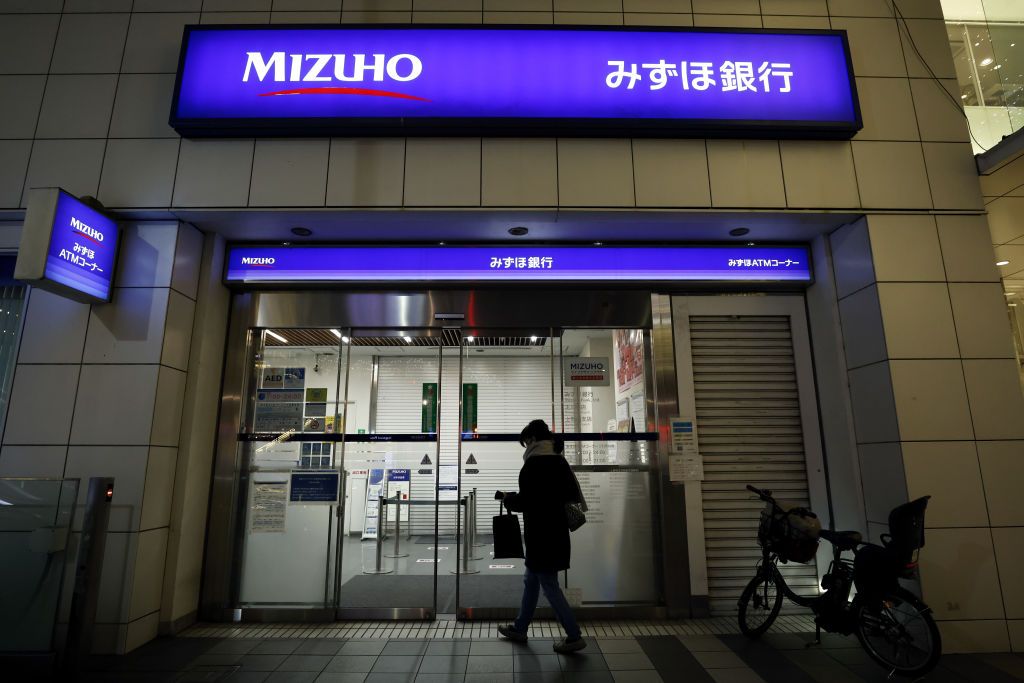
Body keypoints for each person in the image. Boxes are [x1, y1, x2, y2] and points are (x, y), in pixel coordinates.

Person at [496, 419, 586, 653]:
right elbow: (563, 495)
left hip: (541, 535)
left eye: (526, 441)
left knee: (548, 584)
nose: (526, 447)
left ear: (533, 439)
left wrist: (508, 499)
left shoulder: (533, 465)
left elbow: (529, 501)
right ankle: (520, 628)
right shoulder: (560, 461)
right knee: (531, 580)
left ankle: (574, 635)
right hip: (556, 533)